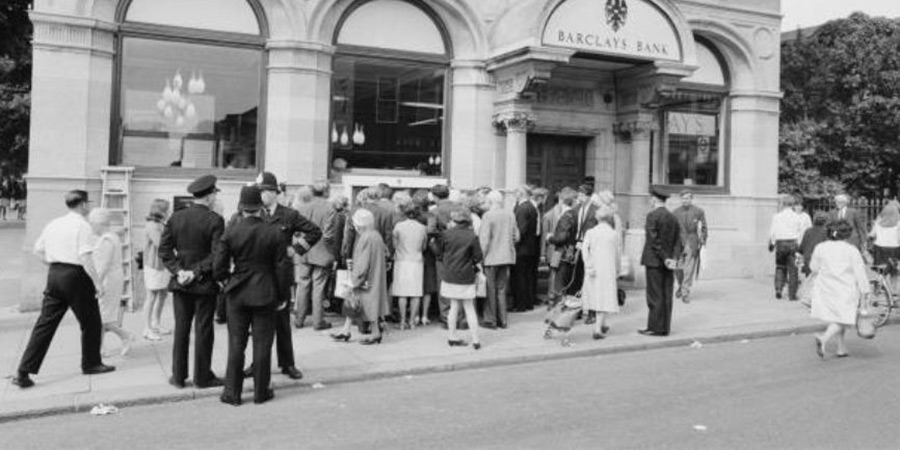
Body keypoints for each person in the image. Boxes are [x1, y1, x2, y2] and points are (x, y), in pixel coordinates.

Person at [12, 190, 114, 389]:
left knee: (45, 324)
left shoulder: (54, 223)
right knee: (91, 321)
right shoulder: (82, 226)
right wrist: (98, 283)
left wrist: (54, 266)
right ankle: (91, 363)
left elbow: (37, 250)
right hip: (76, 275)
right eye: (88, 204)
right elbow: (85, 257)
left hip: (55, 274)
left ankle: (23, 372)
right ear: (83, 204)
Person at [214, 185, 289, 405]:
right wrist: (282, 295)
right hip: (265, 290)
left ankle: (232, 393)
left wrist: (227, 280)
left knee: (236, 343)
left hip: (237, 291)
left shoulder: (231, 231)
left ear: (241, 207)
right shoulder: (274, 231)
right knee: (262, 344)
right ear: (260, 207)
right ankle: (260, 391)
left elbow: (219, 266)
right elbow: (282, 268)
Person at [249, 172, 320, 380]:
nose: (261, 196)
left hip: (280, 275)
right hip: (259, 274)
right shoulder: (253, 214)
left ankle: (287, 363)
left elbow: (314, 232)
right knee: (259, 323)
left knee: (282, 323)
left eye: (264, 192)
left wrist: (297, 249)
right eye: (259, 192)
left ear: (273, 193)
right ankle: (257, 363)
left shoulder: (288, 214)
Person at [159, 174, 225, 389]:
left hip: (181, 283)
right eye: (214, 193)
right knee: (204, 330)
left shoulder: (176, 218)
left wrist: (179, 271)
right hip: (203, 283)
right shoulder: (215, 220)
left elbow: (165, 250)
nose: (215, 197)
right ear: (208, 196)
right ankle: (202, 376)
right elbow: (217, 255)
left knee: (181, 329)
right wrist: (195, 272)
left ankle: (178, 376)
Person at [810, 219, 871, 359]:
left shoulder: (821, 247)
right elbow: (860, 273)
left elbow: (813, 267)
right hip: (845, 288)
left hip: (825, 287)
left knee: (837, 317)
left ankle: (841, 348)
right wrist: (865, 290)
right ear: (847, 234)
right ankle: (823, 338)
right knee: (844, 319)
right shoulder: (851, 250)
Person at [331, 208, 389, 344]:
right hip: (374, 277)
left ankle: (371, 333)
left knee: (362, 305)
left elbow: (363, 263)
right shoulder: (375, 235)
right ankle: (348, 330)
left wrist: (354, 280)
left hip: (366, 280)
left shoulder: (365, 238)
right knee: (363, 306)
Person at [434, 208, 484, 349]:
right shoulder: (472, 236)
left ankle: (452, 336)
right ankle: (475, 340)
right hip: (466, 275)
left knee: (453, 306)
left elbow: (439, 254)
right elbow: (478, 257)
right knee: (469, 307)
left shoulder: (446, 234)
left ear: (454, 219)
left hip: (449, 274)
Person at [89, 208, 135, 357]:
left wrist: (98, 283)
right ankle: (100, 347)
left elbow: (104, 264)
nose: (91, 226)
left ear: (98, 223)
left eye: (92, 223)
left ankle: (125, 336)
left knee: (103, 315)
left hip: (108, 279)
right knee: (102, 315)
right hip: (111, 277)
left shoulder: (107, 239)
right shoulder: (110, 237)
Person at [639, 189, 682, 337]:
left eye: (651, 198)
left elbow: (653, 241)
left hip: (655, 261)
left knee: (654, 295)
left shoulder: (652, 216)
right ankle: (664, 327)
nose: (650, 201)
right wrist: (673, 258)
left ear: (654, 199)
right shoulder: (672, 217)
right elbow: (678, 240)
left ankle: (655, 327)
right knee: (666, 293)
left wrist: (665, 258)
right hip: (668, 262)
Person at [293, 180, 334, 331]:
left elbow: (296, 231)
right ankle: (318, 321)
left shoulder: (303, 206)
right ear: (326, 191)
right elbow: (329, 235)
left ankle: (299, 319)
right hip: (322, 251)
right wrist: (332, 252)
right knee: (318, 287)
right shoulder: (329, 208)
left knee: (303, 284)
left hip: (304, 250)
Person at [478, 190, 519, 329]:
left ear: (490, 202)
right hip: (506, 256)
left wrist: (480, 258)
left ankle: (491, 319)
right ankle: (503, 319)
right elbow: (516, 236)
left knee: (490, 289)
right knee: (502, 289)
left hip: (491, 257)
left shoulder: (488, 216)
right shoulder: (510, 214)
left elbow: (484, 241)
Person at [581, 204, 621, 340]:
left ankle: (602, 324)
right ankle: (598, 328)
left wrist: (588, 265)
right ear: (609, 218)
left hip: (593, 268)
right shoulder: (613, 234)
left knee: (596, 296)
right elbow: (617, 254)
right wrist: (618, 269)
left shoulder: (591, 232)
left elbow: (584, 250)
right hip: (608, 269)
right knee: (605, 296)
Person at [392, 200, 428, 329]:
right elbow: (424, 247)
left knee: (402, 293)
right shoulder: (422, 228)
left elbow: (394, 245)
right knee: (415, 293)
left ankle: (402, 321)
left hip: (401, 260)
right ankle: (412, 321)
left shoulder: (398, 226)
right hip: (417, 261)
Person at [142, 199, 172, 341]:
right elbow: (161, 244)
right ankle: (147, 328)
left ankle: (156, 323)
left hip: (162, 265)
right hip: (154, 265)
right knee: (152, 296)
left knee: (163, 294)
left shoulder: (160, 224)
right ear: (161, 211)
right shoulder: (153, 225)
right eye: (167, 209)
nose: (169, 212)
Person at [672, 190, 708, 304]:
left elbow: (704, 228)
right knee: (677, 268)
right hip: (678, 242)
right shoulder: (675, 213)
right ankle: (681, 285)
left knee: (688, 269)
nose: (685, 200)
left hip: (692, 242)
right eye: (683, 198)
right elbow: (672, 229)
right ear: (680, 199)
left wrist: (702, 239)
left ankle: (685, 292)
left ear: (691, 199)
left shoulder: (699, 211)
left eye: (687, 198)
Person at [768, 195, 805, 301]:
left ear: (783, 204)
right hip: (793, 243)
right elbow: (801, 232)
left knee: (780, 266)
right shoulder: (797, 217)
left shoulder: (777, 216)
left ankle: (778, 289)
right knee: (793, 269)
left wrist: (773, 243)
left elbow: (773, 232)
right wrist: (799, 245)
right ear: (793, 205)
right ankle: (792, 294)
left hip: (780, 243)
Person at [511, 185, 540, 312]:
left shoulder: (523, 208)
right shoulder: (531, 207)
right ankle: (528, 302)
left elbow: (521, 229)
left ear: (521, 194)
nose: (514, 195)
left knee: (519, 277)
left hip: (521, 248)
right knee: (527, 276)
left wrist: (513, 241)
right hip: (530, 247)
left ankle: (520, 304)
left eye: (516, 192)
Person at [543, 188, 575, 301]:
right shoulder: (572, 214)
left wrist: (550, 238)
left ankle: (554, 300)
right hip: (562, 252)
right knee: (557, 278)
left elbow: (561, 237)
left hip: (560, 251)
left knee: (557, 279)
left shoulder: (566, 216)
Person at [868, 200, 900, 267]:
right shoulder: (898, 223)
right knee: (893, 269)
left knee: (880, 269)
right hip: (894, 247)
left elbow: (872, 234)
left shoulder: (878, 222)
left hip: (880, 248)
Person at [799, 212, 830, 276]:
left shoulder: (808, 231)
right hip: (821, 260)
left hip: (808, 259)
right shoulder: (826, 232)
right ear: (825, 222)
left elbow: (802, 246)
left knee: (809, 279)